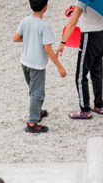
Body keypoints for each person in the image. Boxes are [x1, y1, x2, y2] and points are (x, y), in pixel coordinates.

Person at [14, 0, 66, 134]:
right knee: (37, 93)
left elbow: (15, 38)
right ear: (45, 7)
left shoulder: (25, 20)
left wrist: (29, 40)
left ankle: (37, 111)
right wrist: (59, 67)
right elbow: (48, 49)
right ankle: (32, 122)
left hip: (24, 61)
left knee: (33, 89)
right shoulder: (44, 26)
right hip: (36, 64)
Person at [58, 1, 103, 119]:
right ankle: (98, 105)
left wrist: (62, 42)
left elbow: (72, 23)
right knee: (97, 70)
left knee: (80, 75)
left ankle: (85, 109)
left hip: (90, 36)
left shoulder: (81, 1)